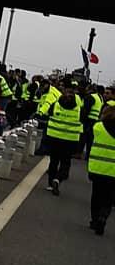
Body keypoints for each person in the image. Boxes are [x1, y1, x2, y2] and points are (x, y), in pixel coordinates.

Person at [40, 81, 85, 195]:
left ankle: (50, 183)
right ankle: (58, 179)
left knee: (53, 161)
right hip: (70, 140)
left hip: (54, 138)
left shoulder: (56, 105)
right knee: (65, 162)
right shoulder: (79, 109)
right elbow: (83, 121)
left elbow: (48, 114)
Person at [87, 104, 115, 235]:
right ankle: (103, 216)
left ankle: (94, 219)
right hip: (113, 171)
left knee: (96, 195)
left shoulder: (98, 127)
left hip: (97, 167)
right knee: (108, 197)